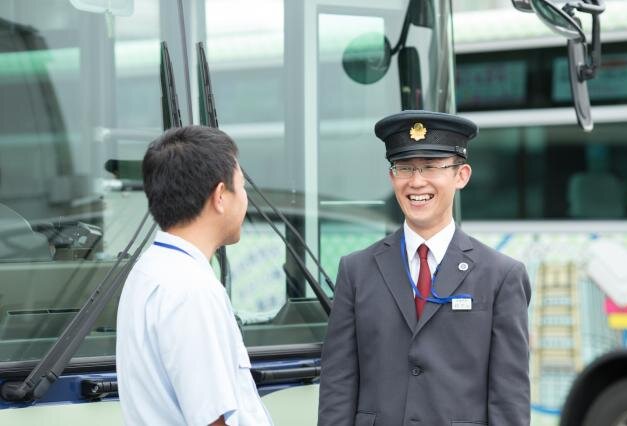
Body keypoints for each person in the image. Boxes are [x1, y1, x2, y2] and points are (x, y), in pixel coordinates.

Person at [318, 111, 531, 426]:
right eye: (405, 168)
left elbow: (509, 395)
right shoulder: (356, 270)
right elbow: (338, 384)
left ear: (462, 175)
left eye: (431, 166)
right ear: (392, 177)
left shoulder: (501, 276)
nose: (416, 182)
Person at [116, 126, 272, 426]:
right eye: (242, 187)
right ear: (221, 196)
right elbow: (211, 419)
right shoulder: (191, 289)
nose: (246, 200)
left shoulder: (149, 270)